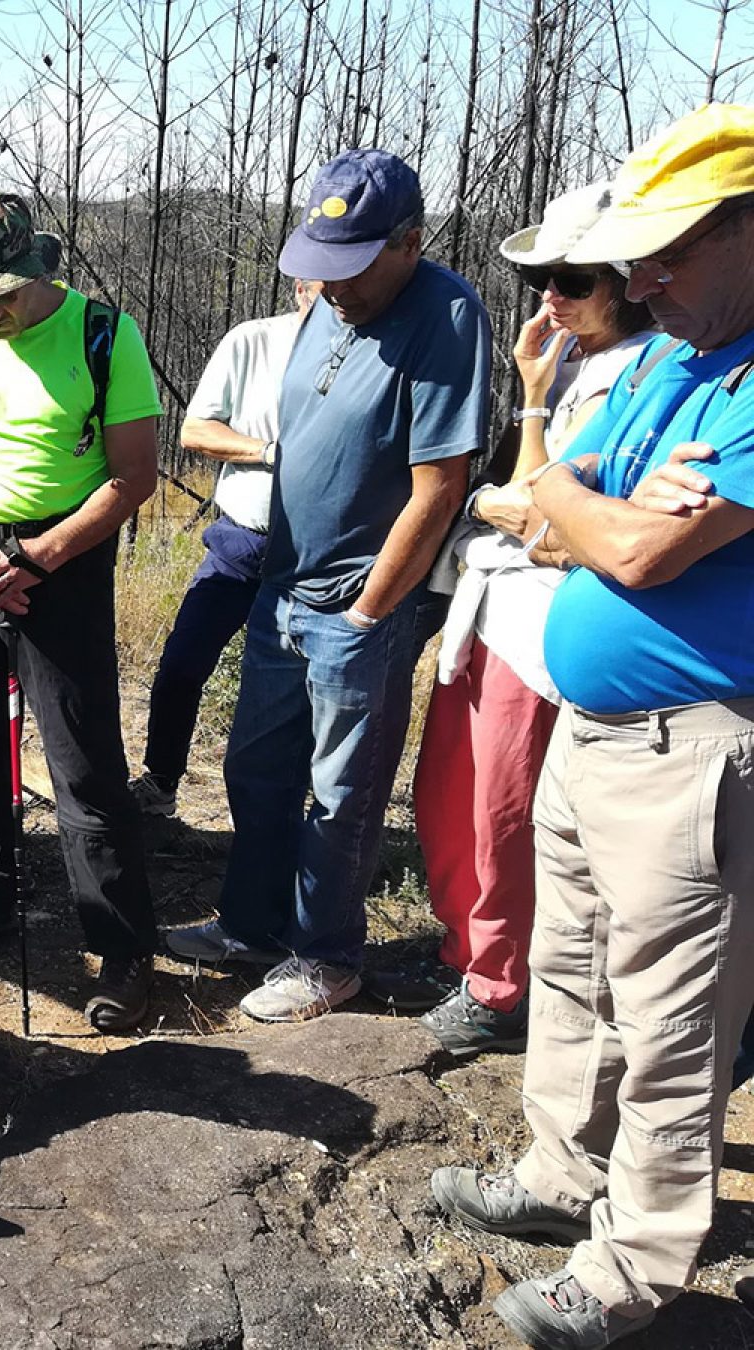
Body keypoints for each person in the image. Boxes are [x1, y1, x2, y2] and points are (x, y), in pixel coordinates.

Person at [430, 102, 754, 1350]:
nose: (642, 279)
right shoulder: (680, 354)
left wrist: (593, 506)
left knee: (672, 1017)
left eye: (671, 251)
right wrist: (589, 497)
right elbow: (545, 507)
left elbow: (626, 542)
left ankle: (639, 1262)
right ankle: (567, 1177)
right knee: (571, 972)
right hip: (596, 727)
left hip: (696, 741)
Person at [166, 149, 488, 1022]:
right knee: (254, 768)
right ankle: (252, 925)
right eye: (320, 266)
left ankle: (327, 959)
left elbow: (440, 486)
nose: (331, 286)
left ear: (409, 243)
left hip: (361, 601)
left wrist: (370, 607)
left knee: (341, 793)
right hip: (285, 586)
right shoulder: (328, 307)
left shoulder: (446, 315)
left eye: (350, 268)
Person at [396, 184, 654, 1055]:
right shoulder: (568, 359)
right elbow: (518, 498)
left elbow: (550, 516)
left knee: (507, 810)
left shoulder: (647, 371)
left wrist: (531, 432)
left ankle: (505, 987)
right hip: (492, 609)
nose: (551, 295)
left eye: (574, 278)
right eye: (542, 276)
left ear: (629, 281)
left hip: (548, 629)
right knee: (450, 798)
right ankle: (467, 949)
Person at [0, 190, 164, 1033]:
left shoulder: (103, 334)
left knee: (83, 764)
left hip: (66, 559)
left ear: (35, 272)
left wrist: (35, 559)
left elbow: (132, 478)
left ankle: (122, 949)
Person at [132, 279, 320, 820]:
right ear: (297, 288)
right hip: (241, 542)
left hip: (315, 558)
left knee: (297, 688)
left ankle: (297, 812)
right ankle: (161, 783)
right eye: (316, 288)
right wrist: (270, 452)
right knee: (181, 666)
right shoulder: (252, 341)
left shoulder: (367, 351)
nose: (328, 299)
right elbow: (194, 431)